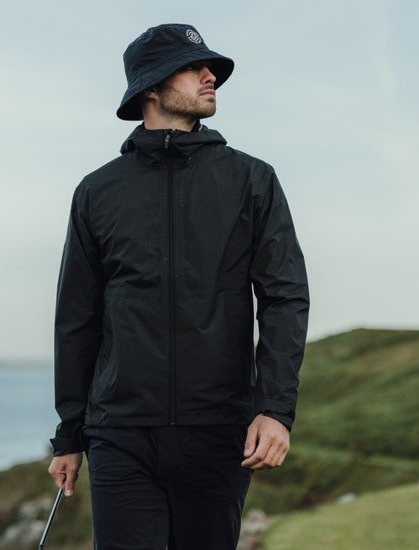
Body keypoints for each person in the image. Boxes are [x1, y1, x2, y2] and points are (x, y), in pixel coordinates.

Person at [47, 23, 309, 549]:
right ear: (151, 85)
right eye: (195, 67)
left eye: (209, 68)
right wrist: (70, 434)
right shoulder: (97, 192)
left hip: (218, 434)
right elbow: (77, 318)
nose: (211, 76)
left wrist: (275, 409)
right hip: (120, 435)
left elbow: (283, 298)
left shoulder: (252, 181)